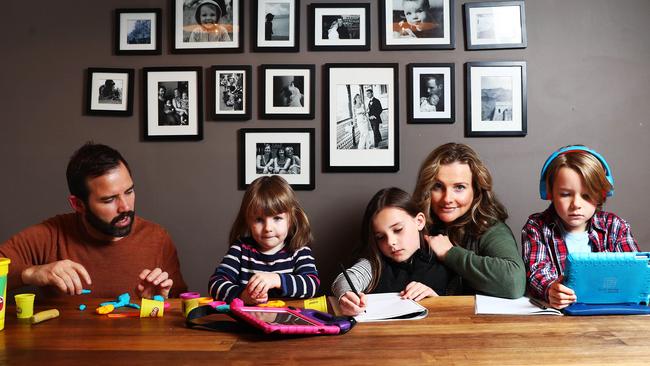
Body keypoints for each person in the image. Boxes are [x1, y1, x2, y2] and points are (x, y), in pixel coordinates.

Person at [0, 143, 187, 299]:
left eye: (129, 192)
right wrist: (31, 273)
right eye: (109, 199)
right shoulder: (51, 234)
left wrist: (160, 301)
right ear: (78, 204)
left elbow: (181, 310)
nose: (125, 207)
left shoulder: (157, 238)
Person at [522, 145, 638, 309]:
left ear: (601, 195)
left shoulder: (616, 227)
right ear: (549, 193)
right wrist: (551, 289)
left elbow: (634, 270)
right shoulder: (537, 227)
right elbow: (537, 270)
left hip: (610, 314)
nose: (576, 204)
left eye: (586, 195)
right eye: (565, 194)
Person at [412, 143, 526, 298]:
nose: (447, 199)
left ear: (476, 190)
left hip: (475, 321)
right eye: (438, 186)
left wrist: (450, 253)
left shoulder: (490, 229)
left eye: (459, 187)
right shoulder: (413, 224)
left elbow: (514, 282)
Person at [332, 188, 450, 316]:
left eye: (398, 229)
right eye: (380, 237)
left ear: (419, 221)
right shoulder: (374, 264)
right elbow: (345, 279)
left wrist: (436, 300)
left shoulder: (443, 256)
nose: (390, 242)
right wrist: (346, 295)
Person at [208, 175, 319, 304]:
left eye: (277, 218)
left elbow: (312, 284)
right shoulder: (240, 250)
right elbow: (215, 283)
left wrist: (276, 279)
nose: (268, 228)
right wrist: (242, 295)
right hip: (247, 321)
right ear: (248, 221)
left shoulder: (299, 251)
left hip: (288, 322)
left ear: (291, 219)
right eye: (259, 220)